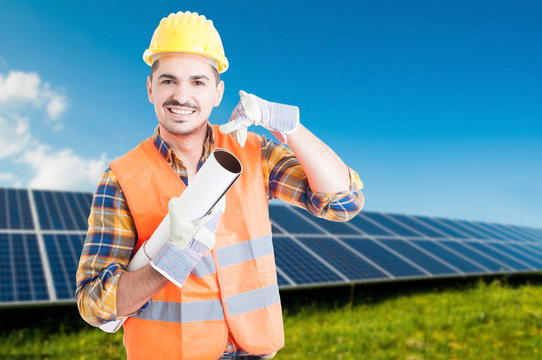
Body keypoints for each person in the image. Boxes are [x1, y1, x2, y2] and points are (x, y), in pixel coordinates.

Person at [76, 10, 364, 360]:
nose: (182, 96)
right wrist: (168, 262)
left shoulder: (253, 154)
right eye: (168, 80)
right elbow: (95, 305)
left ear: (218, 92)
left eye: (198, 82)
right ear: (150, 88)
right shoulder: (122, 177)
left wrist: (289, 128)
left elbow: (342, 203)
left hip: (256, 351)